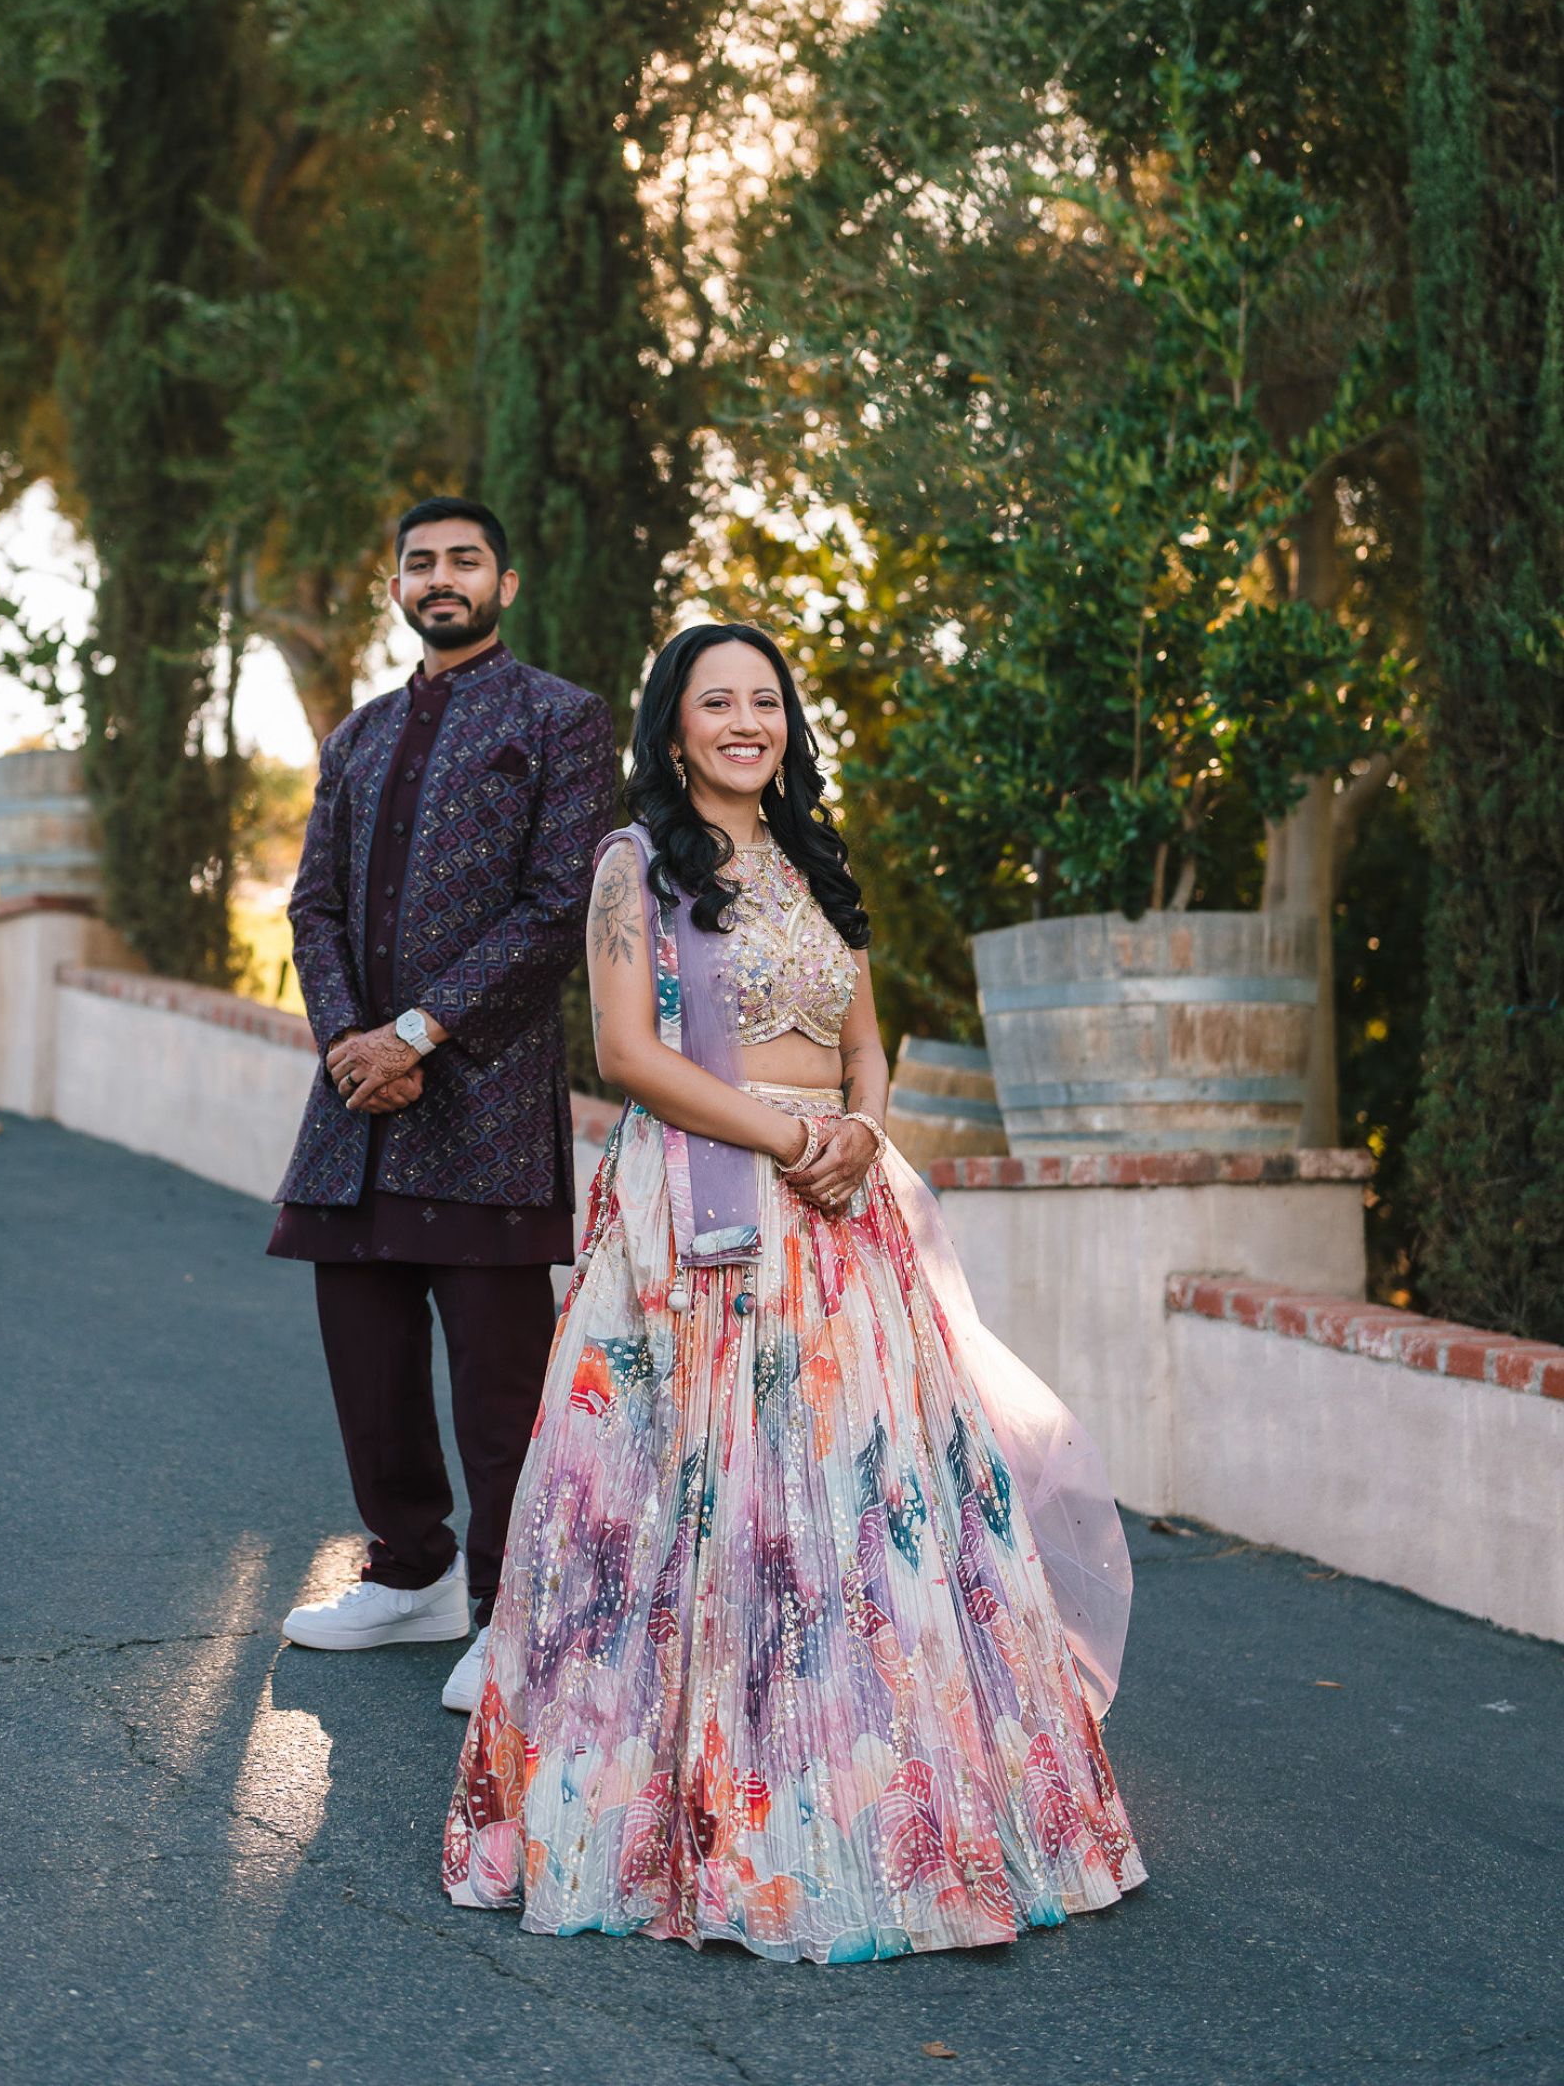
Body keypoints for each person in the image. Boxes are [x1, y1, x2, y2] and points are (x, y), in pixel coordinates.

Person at [443, 622, 1145, 1960]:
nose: (746, 721)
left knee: (859, 1499)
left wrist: (862, 1135)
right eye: (718, 702)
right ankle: (710, 1821)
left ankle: (883, 1801)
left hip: (842, 1209)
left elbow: (869, 1046)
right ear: (675, 725)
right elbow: (625, 1052)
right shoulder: (631, 865)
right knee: (708, 1506)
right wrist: (790, 1141)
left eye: (765, 700)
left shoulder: (820, 862)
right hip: (709, 1213)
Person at [268, 499, 615, 1713]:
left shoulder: (561, 719)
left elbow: (557, 904)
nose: (442, 576)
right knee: (365, 1362)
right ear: (399, 585)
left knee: (498, 1393)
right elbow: (310, 907)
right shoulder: (358, 736)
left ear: (505, 582)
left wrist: (418, 1032)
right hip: (355, 1116)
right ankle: (409, 1571)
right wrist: (352, 1045)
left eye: (465, 559)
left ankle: (510, 1615)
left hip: (488, 1104)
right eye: (422, 562)